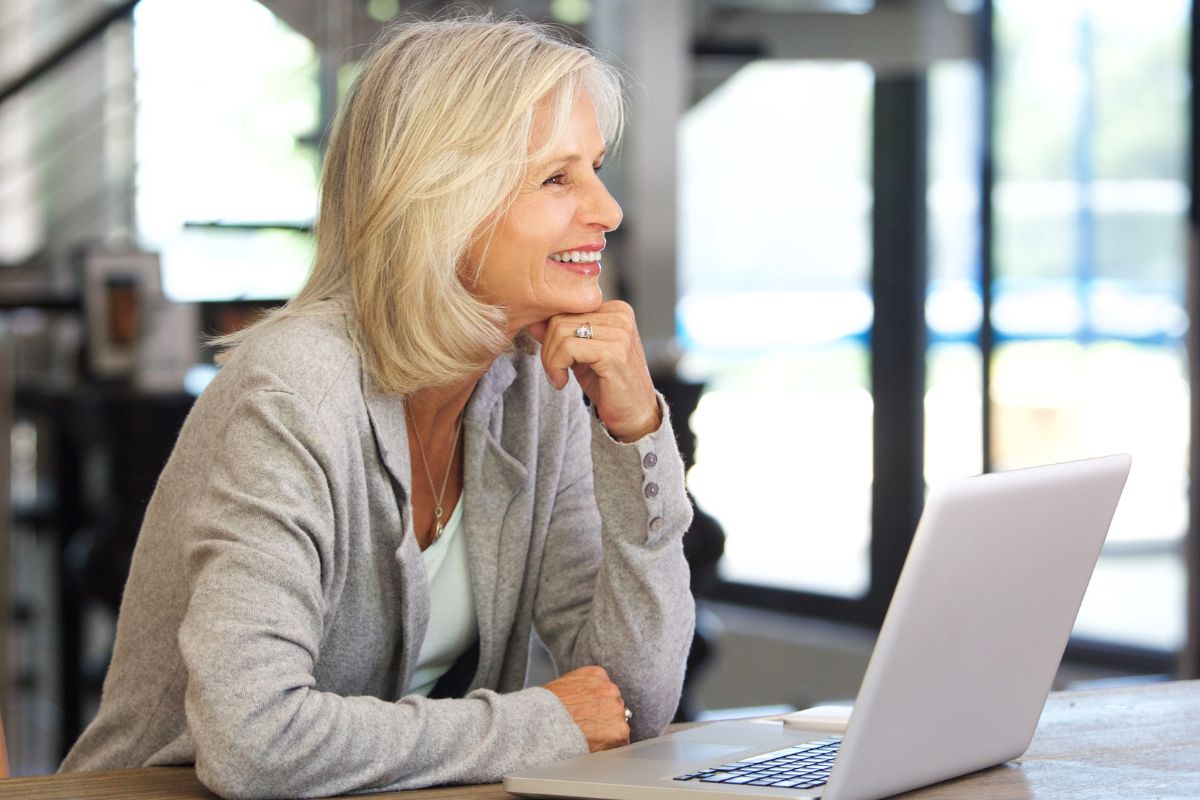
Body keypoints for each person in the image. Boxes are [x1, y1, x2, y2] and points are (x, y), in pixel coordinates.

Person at [60, 15, 695, 799]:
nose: (607, 210)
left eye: (595, 168)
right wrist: (547, 725)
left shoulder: (545, 381)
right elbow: (254, 743)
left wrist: (636, 435)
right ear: (442, 200)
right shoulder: (293, 392)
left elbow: (632, 698)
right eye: (558, 177)